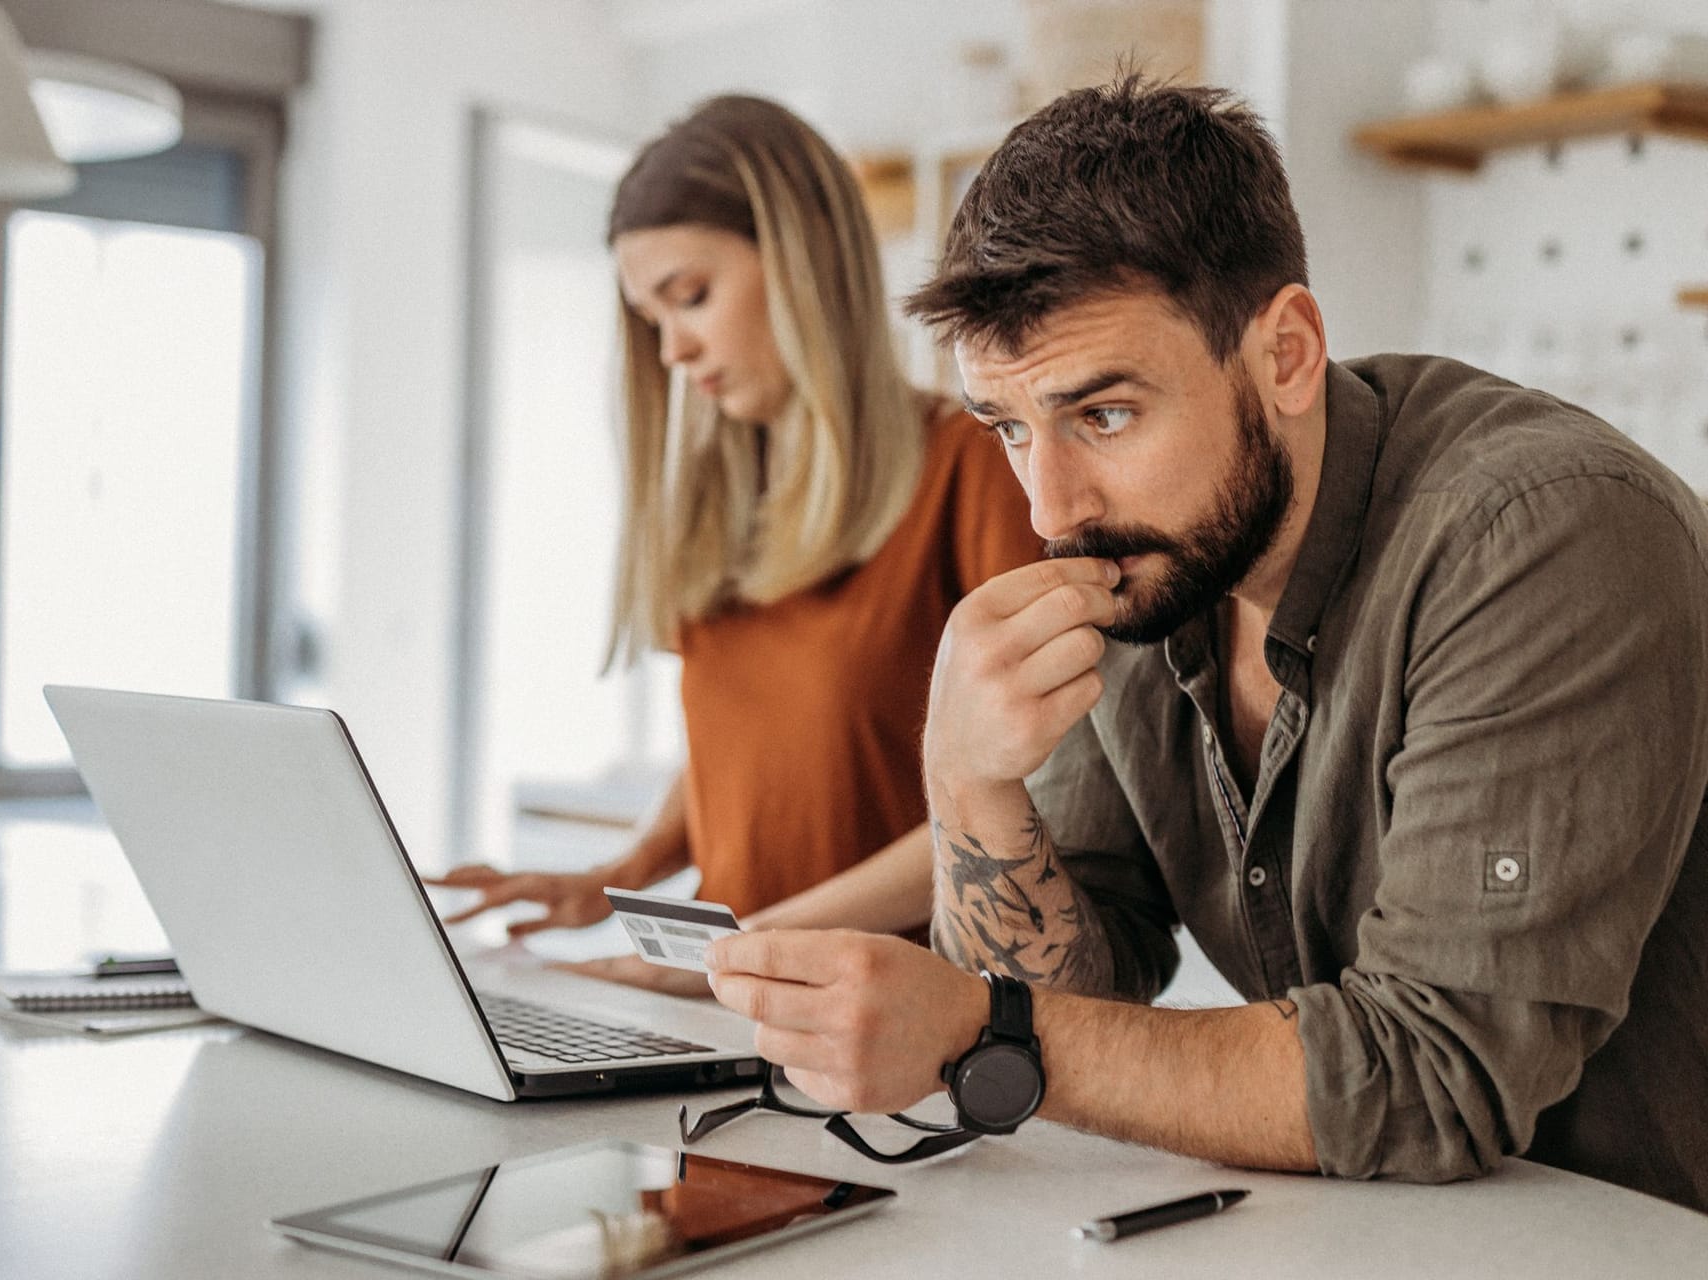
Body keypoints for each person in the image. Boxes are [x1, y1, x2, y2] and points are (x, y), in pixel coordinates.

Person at [706, 74, 1708, 1212]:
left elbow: (1437, 1074)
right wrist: (965, 777)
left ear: (1284, 353)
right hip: (1381, 1226)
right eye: (1011, 429)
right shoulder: (1155, 560)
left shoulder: (1545, 536)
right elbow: (1085, 971)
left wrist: (985, 1033)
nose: (1052, 508)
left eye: (1106, 413)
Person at [433, 95, 1036, 994]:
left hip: (887, 1016)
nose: (673, 347)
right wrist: (621, 877)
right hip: (720, 998)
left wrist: (751, 943)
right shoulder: (724, 500)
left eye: (691, 297)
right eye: (652, 320)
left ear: (805, 262)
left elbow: (1031, 807)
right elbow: (742, 749)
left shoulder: (971, 469)